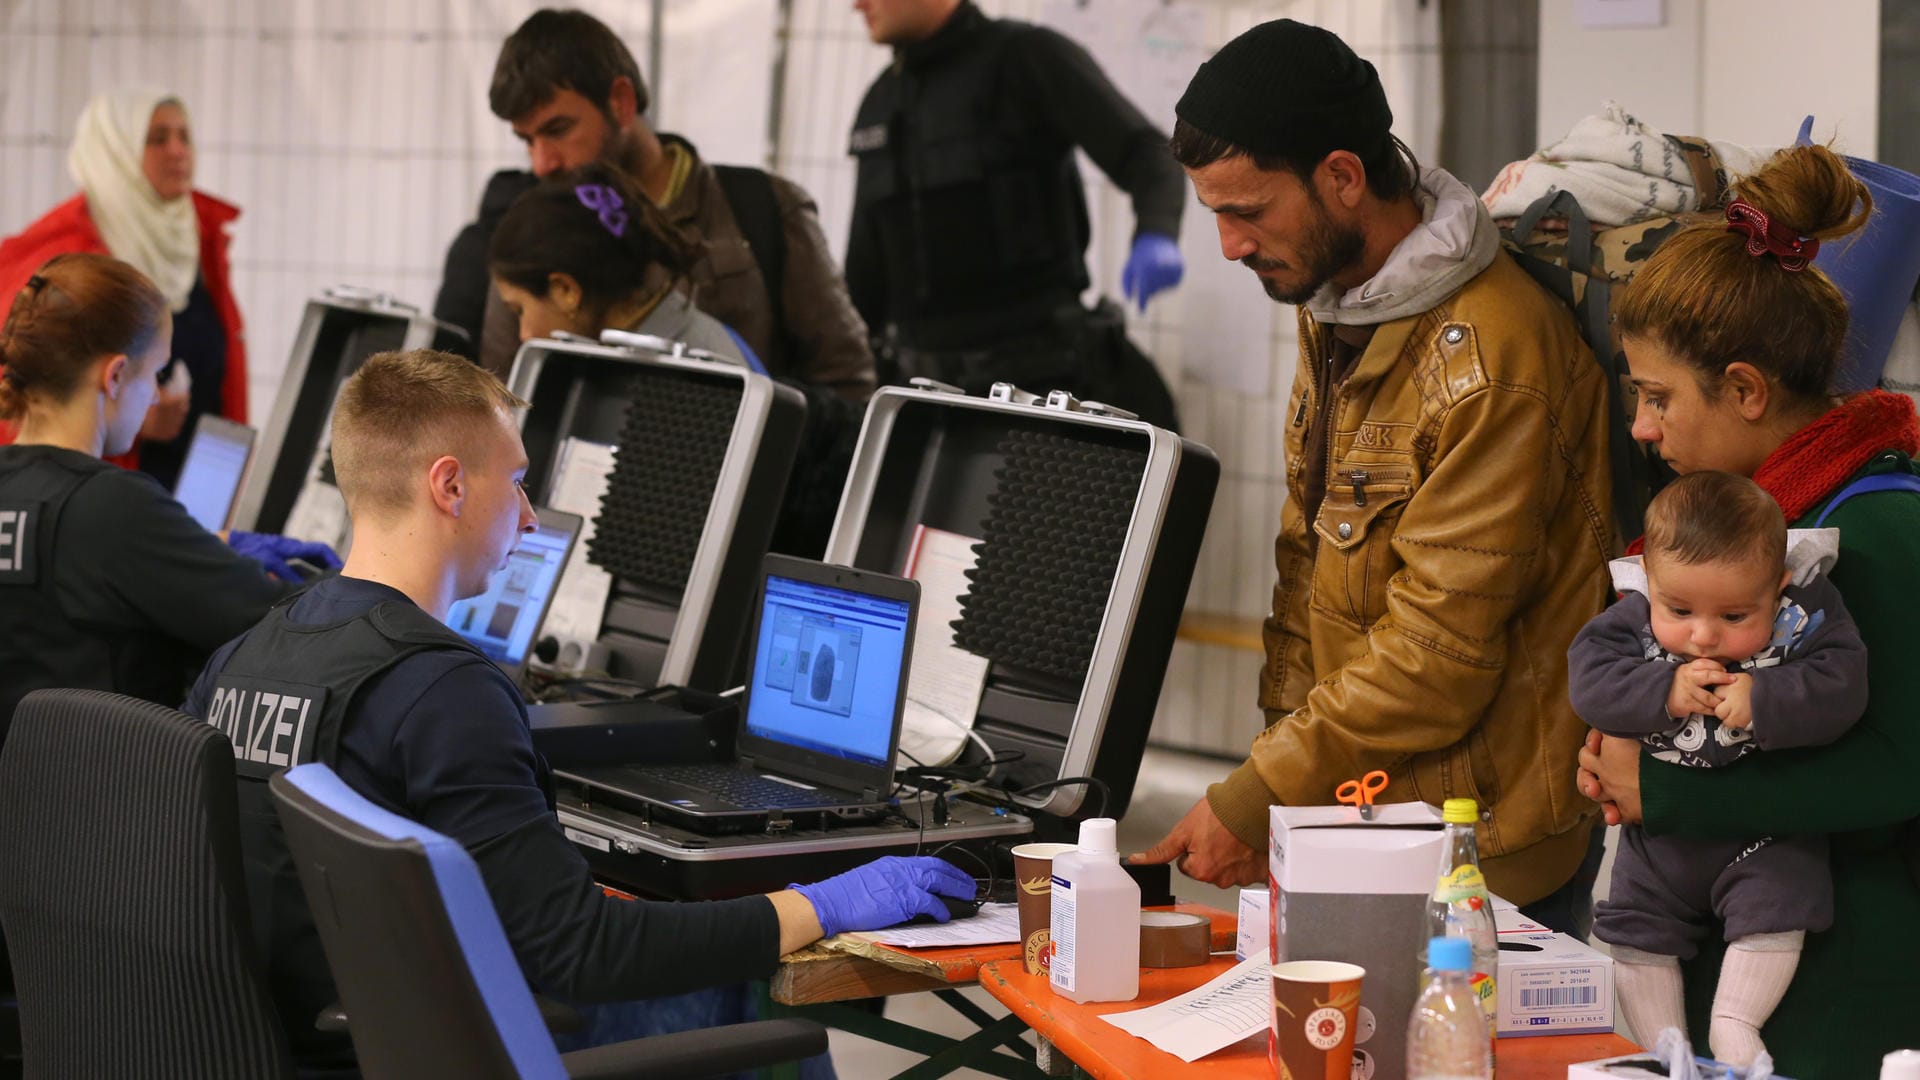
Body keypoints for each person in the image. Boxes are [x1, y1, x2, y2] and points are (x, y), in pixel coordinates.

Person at [180, 348, 973, 1069]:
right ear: (450, 485)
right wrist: (820, 902)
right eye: (516, 481)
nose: (529, 517)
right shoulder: (443, 690)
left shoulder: (244, 654)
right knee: (739, 996)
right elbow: (581, 950)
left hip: (299, 1043)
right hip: (417, 1050)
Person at [1131, 19, 1613, 932]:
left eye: (1248, 210)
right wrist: (1280, 786)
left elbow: (1438, 656)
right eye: (1213, 215)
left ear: (1342, 177)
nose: (1231, 245)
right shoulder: (1342, 301)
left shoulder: (1496, 358)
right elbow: (1309, 567)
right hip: (1361, 807)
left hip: (1481, 857)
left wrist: (1258, 793)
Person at [1577, 144, 1920, 1079]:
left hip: (1842, 997)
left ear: (1743, 389)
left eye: (1658, 398)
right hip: (1715, 943)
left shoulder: (1879, 530)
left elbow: (1900, 768)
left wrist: (1673, 789)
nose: (1643, 428)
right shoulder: (1755, 517)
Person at [1568, 470, 1868, 1065]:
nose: (1703, 636)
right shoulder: (1632, 617)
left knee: (1782, 904)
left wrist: (1768, 699)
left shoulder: (1805, 616)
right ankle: (1664, 1051)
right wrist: (1661, 687)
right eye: (1679, 609)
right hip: (1658, 841)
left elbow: (1845, 682)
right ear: (1650, 581)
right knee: (1633, 927)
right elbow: (1589, 678)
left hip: (1764, 834)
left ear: (1777, 587)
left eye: (1735, 617)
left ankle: (1736, 1024)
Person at [438, 7, 874, 409]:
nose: (542, 162)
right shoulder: (530, 234)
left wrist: (773, 462)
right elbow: (504, 404)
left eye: (558, 129)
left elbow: (848, 387)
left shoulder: (766, 208)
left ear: (621, 102)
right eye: (528, 140)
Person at [0, 253, 335, 742]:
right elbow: (275, 619)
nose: (156, 398)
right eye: (155, 374)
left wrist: (191, 548)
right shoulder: (109, 506)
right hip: (111, 803)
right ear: (114, 376)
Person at [845, 0, 1184, 427]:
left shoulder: (1025, 57)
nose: (856, 5)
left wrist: (1157, 231)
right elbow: (865, 276)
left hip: (1047, 394)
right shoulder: (879, 102)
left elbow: (1146, 154)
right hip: (931, 410)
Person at [0, 90, 248, 488]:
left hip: (195, 487)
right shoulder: (63, 254)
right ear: (115, 150)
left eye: (184, 136)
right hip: (102, 494)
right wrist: (125, 415)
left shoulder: (197, 238)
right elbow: (24, 381)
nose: (178, 151)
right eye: (156, 139)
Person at [489, 162, 745, 363]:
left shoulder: (703, 370)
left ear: (565, 290)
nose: (524, 334)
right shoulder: (624, 350)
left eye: (519, 310)